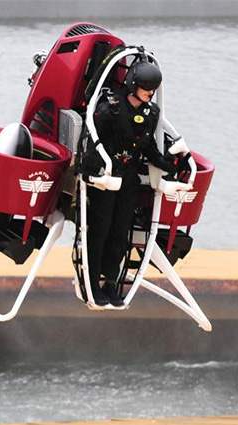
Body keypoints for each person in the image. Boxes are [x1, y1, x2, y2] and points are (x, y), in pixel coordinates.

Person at [83, 61, 177, 307]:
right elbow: (91, 144)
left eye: (154, 89)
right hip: (106, 180)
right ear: (134, 85)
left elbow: (148, 148)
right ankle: (92, 282)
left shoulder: (151, 114)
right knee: (99, 230)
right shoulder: (108, 111)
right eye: (147, 89)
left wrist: (170, 165)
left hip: (129, 181)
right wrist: (92, 174)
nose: (151, 94)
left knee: (121, 232)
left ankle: (112, 283)